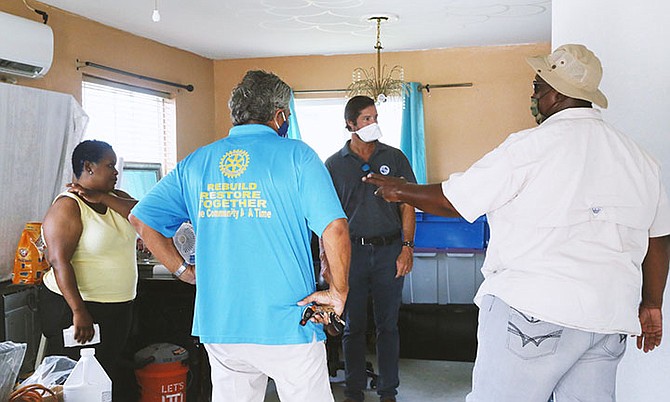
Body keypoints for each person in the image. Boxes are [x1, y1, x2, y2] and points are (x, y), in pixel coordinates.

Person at [363, 44, 670, 401]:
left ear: (556, 94)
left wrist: (403, 192)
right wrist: (651, 303)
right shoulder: (640, 160)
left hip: (534, 312)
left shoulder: (530, 147)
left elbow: (458, 199)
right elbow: (658, 239)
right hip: (606, 319)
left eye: (537, 87)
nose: (534, 95)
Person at [129, 70, 351, 402]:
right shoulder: (297, 155)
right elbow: (334, 228)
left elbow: (141, 219)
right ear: (279, 115)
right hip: (288, 320)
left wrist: (183, 272)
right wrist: (338, 292)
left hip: (221, 322)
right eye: (286, 113)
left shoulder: (197, 162)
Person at [324, 95, 416, 402]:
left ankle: (388, 390)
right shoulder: (335, 165)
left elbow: (408, 205)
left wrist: (406, 248)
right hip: (352, 254)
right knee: (353, 327)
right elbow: (326, 217)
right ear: (350, 124)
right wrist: (326, 259)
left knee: (388, 325)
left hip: (390, 251)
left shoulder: (396, 157)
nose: (373, 123)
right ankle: (354, 390)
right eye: (366, 119)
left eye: (376, 117)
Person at [39, 140, 138, 398]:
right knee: (74, 382)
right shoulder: (68, 206)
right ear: (88, 167)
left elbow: (146, 214)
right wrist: (79, 311)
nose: (116, 172)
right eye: (110, 166)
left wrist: (104, 197)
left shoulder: (117, 199)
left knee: (106, 375)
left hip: (117, 306)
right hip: (78, 307)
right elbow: (59, 261)